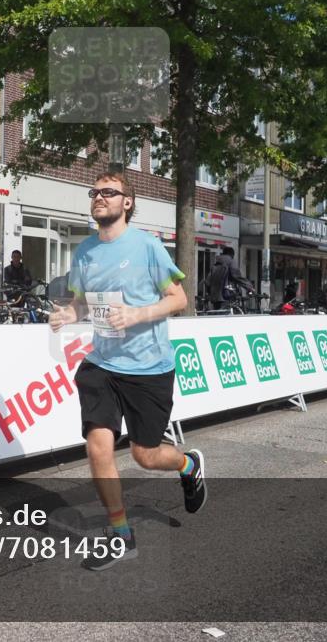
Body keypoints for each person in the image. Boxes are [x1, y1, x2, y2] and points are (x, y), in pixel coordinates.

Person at [49, 171, 206, 571]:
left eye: (108, 192)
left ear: (127, 202)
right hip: (102, 363)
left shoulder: (148, 246)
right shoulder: (84, 251)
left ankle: (188, 466)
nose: (99, 197)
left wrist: (138, 313)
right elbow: (85, 302)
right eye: (95, 192)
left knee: (145, 455)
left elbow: (179, 298)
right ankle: (120, 535)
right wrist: (71, 312)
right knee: (98, 445)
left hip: (148, 367)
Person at [205, 246, 255, 310]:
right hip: (226, 296)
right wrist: (250, 287)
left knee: (218, 316)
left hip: (215, 298)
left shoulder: (215, 265)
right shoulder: (230, 262)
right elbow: (237, 277)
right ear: (232, 255)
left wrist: (210, 294)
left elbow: (207, 282)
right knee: (227, 316)